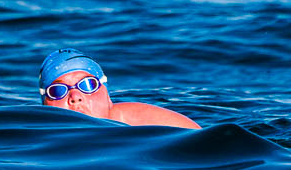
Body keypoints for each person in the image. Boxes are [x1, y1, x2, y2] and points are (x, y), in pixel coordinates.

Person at [37, 49, 199, 128]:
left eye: (87, 85)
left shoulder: (146, 121)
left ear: (108, 96)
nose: (75, 97)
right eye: (58, 90)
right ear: (44, 105)